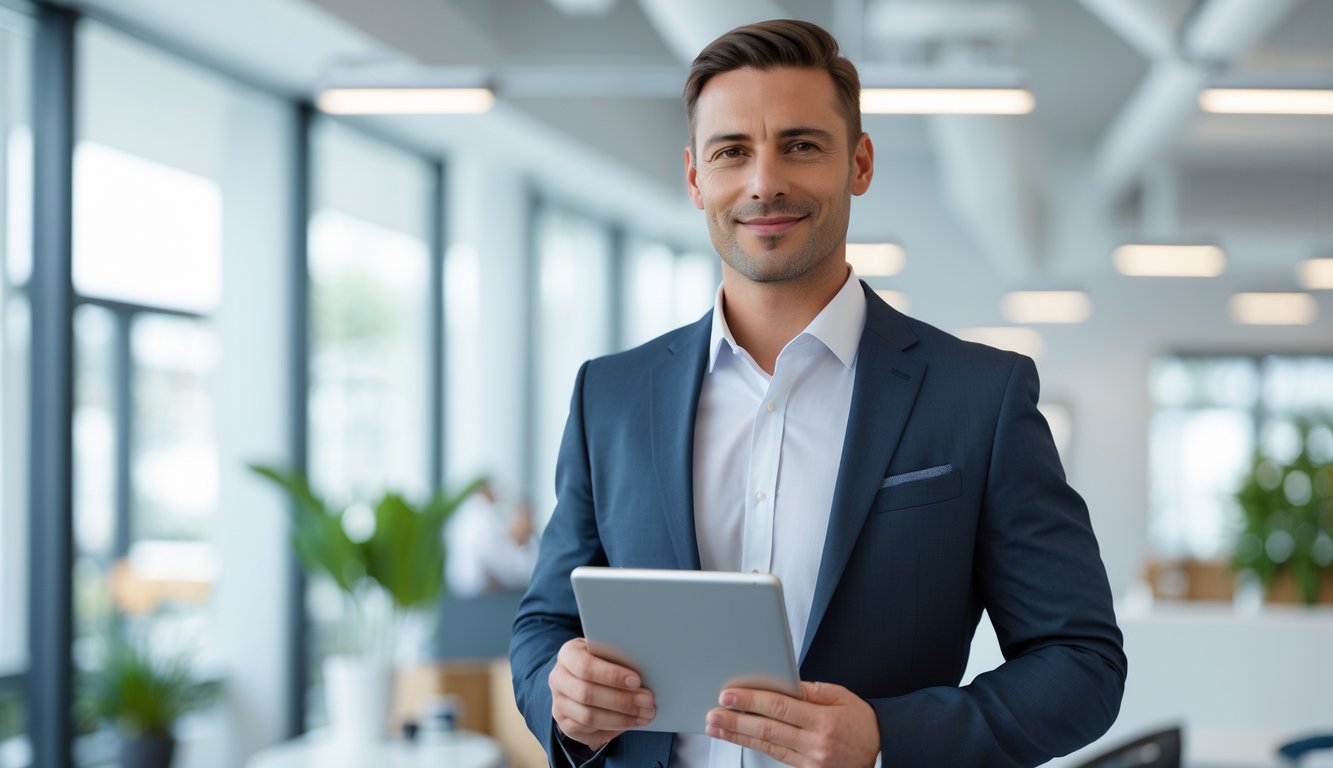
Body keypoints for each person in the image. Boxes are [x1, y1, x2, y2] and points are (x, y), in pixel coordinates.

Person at [510, 18, 1126, 768]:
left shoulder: (978, 397)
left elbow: (1081, 663)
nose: (764, 181)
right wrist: (561, 694)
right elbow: (543, 624)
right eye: (731, 151)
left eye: (800, 145)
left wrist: (884, 738)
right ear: (695, 176)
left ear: (858, 163)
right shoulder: (608, 395)